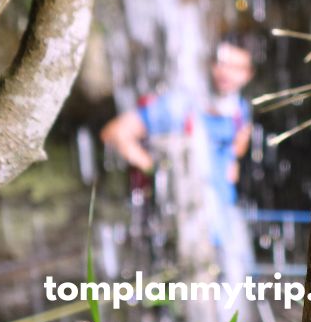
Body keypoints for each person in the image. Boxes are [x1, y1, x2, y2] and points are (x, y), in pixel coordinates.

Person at [101, 39, 254, 212]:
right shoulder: (179, 106)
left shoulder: (240, 110)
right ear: (211, 64)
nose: (227, 73)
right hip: (182, 214)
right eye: (222, 64)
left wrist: (231, 161)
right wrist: (153, 169)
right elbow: (115, 133)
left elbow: (236, 149)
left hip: (224, 214)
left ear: (248, 74)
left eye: (237, 68)